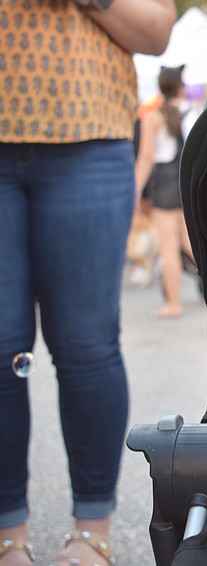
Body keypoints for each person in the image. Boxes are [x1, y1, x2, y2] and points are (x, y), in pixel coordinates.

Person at [0, 1, 177, 565]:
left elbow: (157, 31)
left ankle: (92, 532)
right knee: (1, 350)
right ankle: (7, 537)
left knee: (86, 346)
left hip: (87, 132)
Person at [135, 65, 196, 318]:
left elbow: (146, 157)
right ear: (181, 87)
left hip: (163, 184)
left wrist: (135, 191)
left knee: (168, 247)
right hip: (186, 181)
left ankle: (173, 304)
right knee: (192, 243)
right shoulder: (192, 112)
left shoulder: (153, 117)